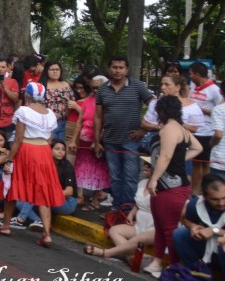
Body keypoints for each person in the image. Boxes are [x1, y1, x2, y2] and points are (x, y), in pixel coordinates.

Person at [0, 82, 62, 248]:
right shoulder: (51, 114)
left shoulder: (23, 111)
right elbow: (50, 139)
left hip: (27, 150)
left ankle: (6, 226)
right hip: (44, 151)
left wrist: (9, 159)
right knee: (43, 190)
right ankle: (47, 234)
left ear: (28, 95)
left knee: (11, 184)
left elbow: (17, 139)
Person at [147, 95, 203, 267]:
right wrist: (180, 159)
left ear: (162, 110)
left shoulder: (171, 128)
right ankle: (157, 261)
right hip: (169, 184)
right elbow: (197, 147)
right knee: (160, 226)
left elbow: (165, 156)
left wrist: (154, 179)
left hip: (171, 186)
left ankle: (173, 266)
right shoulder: (180, 128)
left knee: (168, 228)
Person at [94, 55, 154, 210]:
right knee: (115, 177)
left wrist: (143, 129)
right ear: (109, 69)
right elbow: (98, 117)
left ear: (127, 70)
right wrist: (97, 141)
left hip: (131, 140)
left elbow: (154, 106)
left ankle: (129, 209)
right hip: (109, 140)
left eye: (121, 68)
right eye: (114, 67)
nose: (117, 71)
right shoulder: (102, 89)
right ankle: (117, 207)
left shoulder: (138, 86)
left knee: (130, 176)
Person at [83, 159, 158, 271]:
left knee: (140, 238)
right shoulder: (142, 183)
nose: (146, 167)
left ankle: (107, 253)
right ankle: (130, 256)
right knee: (114, 230)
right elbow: (138, 203)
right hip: (139, 224)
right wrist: (131, 214)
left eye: (149, 165)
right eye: (145, 164)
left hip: (155, 227)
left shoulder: (162, 188)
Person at [16, 140, 77, 230]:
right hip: (48, 198)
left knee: (38, 192)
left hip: (67, 202)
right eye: (57, 149)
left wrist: (49, 194)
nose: (60, 152)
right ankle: (38, 221)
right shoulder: (44, 164)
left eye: (63, 150)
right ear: (49, 150)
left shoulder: (67, 166)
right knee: (19, 202)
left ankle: (20, 219)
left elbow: (69, 191)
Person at [66, 80, 108, 211]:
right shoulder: (88, 101)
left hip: (98, 142)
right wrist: (73, 140)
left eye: (99, 87)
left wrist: (97, 141)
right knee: (81, 168)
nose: (96, 90)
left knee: (98, 170)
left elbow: (106, 125)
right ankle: (81, 196)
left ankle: (95, 200)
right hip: (83, 141)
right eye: (94, 87)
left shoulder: (108, 101)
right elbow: (79, 122)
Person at [171, 174, 225, 271]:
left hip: (221, 251)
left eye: (224, 198)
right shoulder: (196, 204)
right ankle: (197, 272)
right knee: (179, 234)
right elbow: (185, 220)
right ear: (204, 196)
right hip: (206, 248)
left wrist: (214, 231)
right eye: (215, 199)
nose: (221, 203)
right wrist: (192, 227)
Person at [188, 62, 222, 195]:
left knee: (205, 164)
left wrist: (203, 111)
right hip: (194, 131)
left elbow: (220, 110)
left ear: (197, 74)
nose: (190, 76)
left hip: (207, 132)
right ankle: (195, 194)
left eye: (191, 73)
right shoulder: (193, 87)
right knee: (196, 165)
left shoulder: (213, 89)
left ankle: (207, 192)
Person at [41, 62, 73, 143]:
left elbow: (72, 100)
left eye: (57, 69)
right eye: (52, 69)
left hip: (64, 121)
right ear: (46, 71)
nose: (55, 72)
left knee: (62, 147)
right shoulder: (42, 85)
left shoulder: (65, 84)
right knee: (51, 146)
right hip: (48, 122)